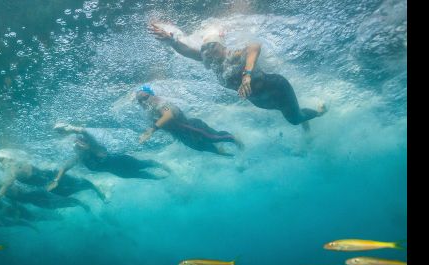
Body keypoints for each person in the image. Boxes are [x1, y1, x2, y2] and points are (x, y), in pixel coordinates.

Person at [148, 23, 326, 129]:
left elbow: (254, 47)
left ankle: (319, 112)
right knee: (291, 115)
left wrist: (247, 75)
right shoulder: (212, 62)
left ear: (221, 46)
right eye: (205, 48)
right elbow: (187, 51)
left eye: (212, 46)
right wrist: (172, 40)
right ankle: (301, 115)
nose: (208, 51)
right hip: (261, 101)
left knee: (294, 119)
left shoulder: (233, 54)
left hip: (277, 88)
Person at [48, 122, 171, 191]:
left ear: (86, 142)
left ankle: (162, 166)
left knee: (145, 164)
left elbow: (86, 133)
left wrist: (71, 129)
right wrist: (56, 181)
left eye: (81, 143)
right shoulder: (80, 158)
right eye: (76, 145)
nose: (78, 146)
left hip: (124, 162)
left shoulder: (94, 147)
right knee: (147, 176)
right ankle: (168, 179)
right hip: (120, 173)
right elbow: (64, 168)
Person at [135, 85, 242, 156]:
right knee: (205, 148)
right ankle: (232, 156)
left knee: (215, 138)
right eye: (140, 100)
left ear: (153, 95)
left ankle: (235, 139)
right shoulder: (150, 112)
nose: (143, 102)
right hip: (183, 136)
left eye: (145, 97)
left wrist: (151, 130)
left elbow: (168, 115)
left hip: (193, 127)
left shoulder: (161, 103)